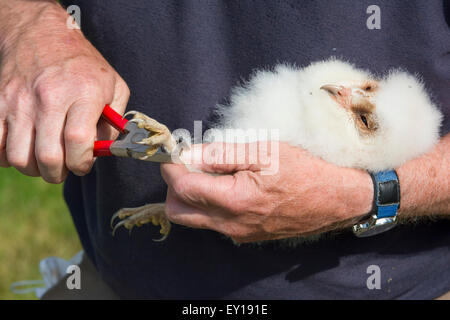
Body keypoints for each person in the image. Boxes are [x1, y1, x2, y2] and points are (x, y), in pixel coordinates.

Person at [0, 0, 448, 299]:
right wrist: (23, 21)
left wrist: (370, 193)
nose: (348, 92)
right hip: (116, 281)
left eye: (364, 110)